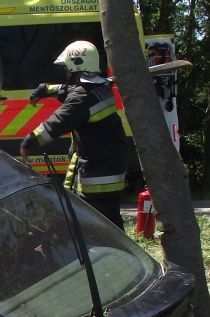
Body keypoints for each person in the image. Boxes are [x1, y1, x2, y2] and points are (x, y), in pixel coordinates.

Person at [20, 40, 129, 228]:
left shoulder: (82, 98)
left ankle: (118, 255)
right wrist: (45, 89)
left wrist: (29, 142)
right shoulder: (100, 89)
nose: (66, 73)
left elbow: (57, 123)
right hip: (111, 167)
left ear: (75, 65)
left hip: (98, 175)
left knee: (97, 226)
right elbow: (69, 90)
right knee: (109, 222)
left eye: (67, 69)